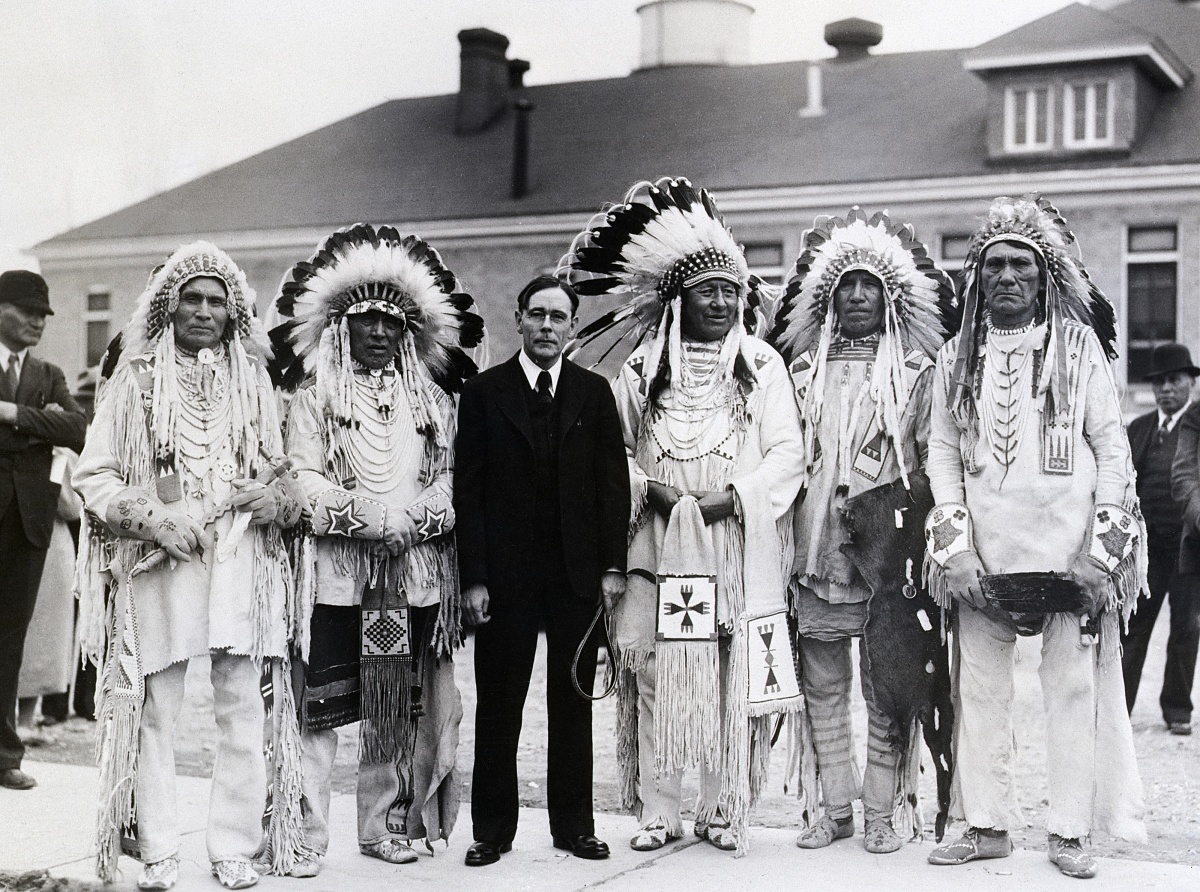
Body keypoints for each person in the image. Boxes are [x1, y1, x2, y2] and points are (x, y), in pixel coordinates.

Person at [563, 177, 803, 855]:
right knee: (655, 667)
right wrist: (654, 492)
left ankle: (723, 809)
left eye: (732, 290)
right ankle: (659, 809)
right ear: (678, 300)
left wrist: (734, 499)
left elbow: (789, 454)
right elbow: (611, 457)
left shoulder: (762, 365)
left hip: (733, 540)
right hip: (660, 542)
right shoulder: (642, 370)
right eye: (708, 290)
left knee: (728, 668)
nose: (723, 300)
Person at [924, 195, 1147, 880]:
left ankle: (1069, 832)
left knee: (1072, 691)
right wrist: (955, 550)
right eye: (995, 266)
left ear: (1045, 275)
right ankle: (986, 826)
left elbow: (1112, 453)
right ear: (977, 277)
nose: (1009, 277)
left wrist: (1100, 556)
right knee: (982, 693)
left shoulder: (1079, 349)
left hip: (1069, 559)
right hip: (982, 561)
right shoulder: (956, 357)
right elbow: (940, 454)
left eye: (1023, 264)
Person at [73, 243, 307, 890]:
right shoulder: (135, 380)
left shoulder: (256, 383)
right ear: (169, 304)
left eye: (217, 301)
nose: (204, 311)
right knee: (156, 710)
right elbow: (92, 476)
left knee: (242, 707)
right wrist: (152, 517)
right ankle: (158, 848)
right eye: (192, 298)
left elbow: (286, 472)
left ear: (234, 313)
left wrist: (274, 497)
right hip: (161, 563)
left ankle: (233, 847)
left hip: (241, 561)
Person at [270, 224, 484, 870]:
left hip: (410, 575)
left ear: (408, 332)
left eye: (393, 323)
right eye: (367, 320)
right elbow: (301, 477)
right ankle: (306, 833)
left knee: (393, 709)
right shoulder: (314, 400)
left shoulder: (434, 403)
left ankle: (381, 827)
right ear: (341, 327)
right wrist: (366, 517)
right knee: (319, 710)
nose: (381, 333)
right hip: (338, 577)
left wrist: (415, 518)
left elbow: (455, 475)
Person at [766, 209, 957, 854]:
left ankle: (881, 809)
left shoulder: (917, 377)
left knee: (887, 683)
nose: (855, 296)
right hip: (816, 547)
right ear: (827, 298)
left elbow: (935, 466)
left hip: (888, 554)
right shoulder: (798, 379)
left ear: (889, 296)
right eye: (844, 285)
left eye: (868, 285)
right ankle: (835, 807)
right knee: (822, 684)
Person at [454, 273, 629, 866]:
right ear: (519, 319)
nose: (548, 326)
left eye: (559, 317)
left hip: (577, 577)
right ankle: (493, 830)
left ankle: (575, 826)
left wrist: (611, 567)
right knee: (499, 702)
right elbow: (468, 493)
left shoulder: (594, 392)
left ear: (572, 326)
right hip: (505, 579)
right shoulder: (484, 393)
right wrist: (474, 577)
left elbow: (613, 488)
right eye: (538, 315)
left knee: (572, 702)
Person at [0, 269, 87, 791]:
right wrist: (38, 425)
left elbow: (75, 430)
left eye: (43, 315)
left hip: (29, 522)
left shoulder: (50, 373)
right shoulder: (47, 387)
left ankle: (5, 755)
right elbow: (54, 428)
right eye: (27, 311)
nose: (37, 322)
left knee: (11, 640)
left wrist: (11, 413)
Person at [1124, 343, 1199, 735]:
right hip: (1147, 551)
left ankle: (1177, 710)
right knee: (1134, 626)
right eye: (1159, 383)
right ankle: (1120, 710)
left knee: (1186, 627)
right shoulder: (1138, 429)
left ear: (1190, 383)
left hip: (1190, 549)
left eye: (1174, 380)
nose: (1166, 389)